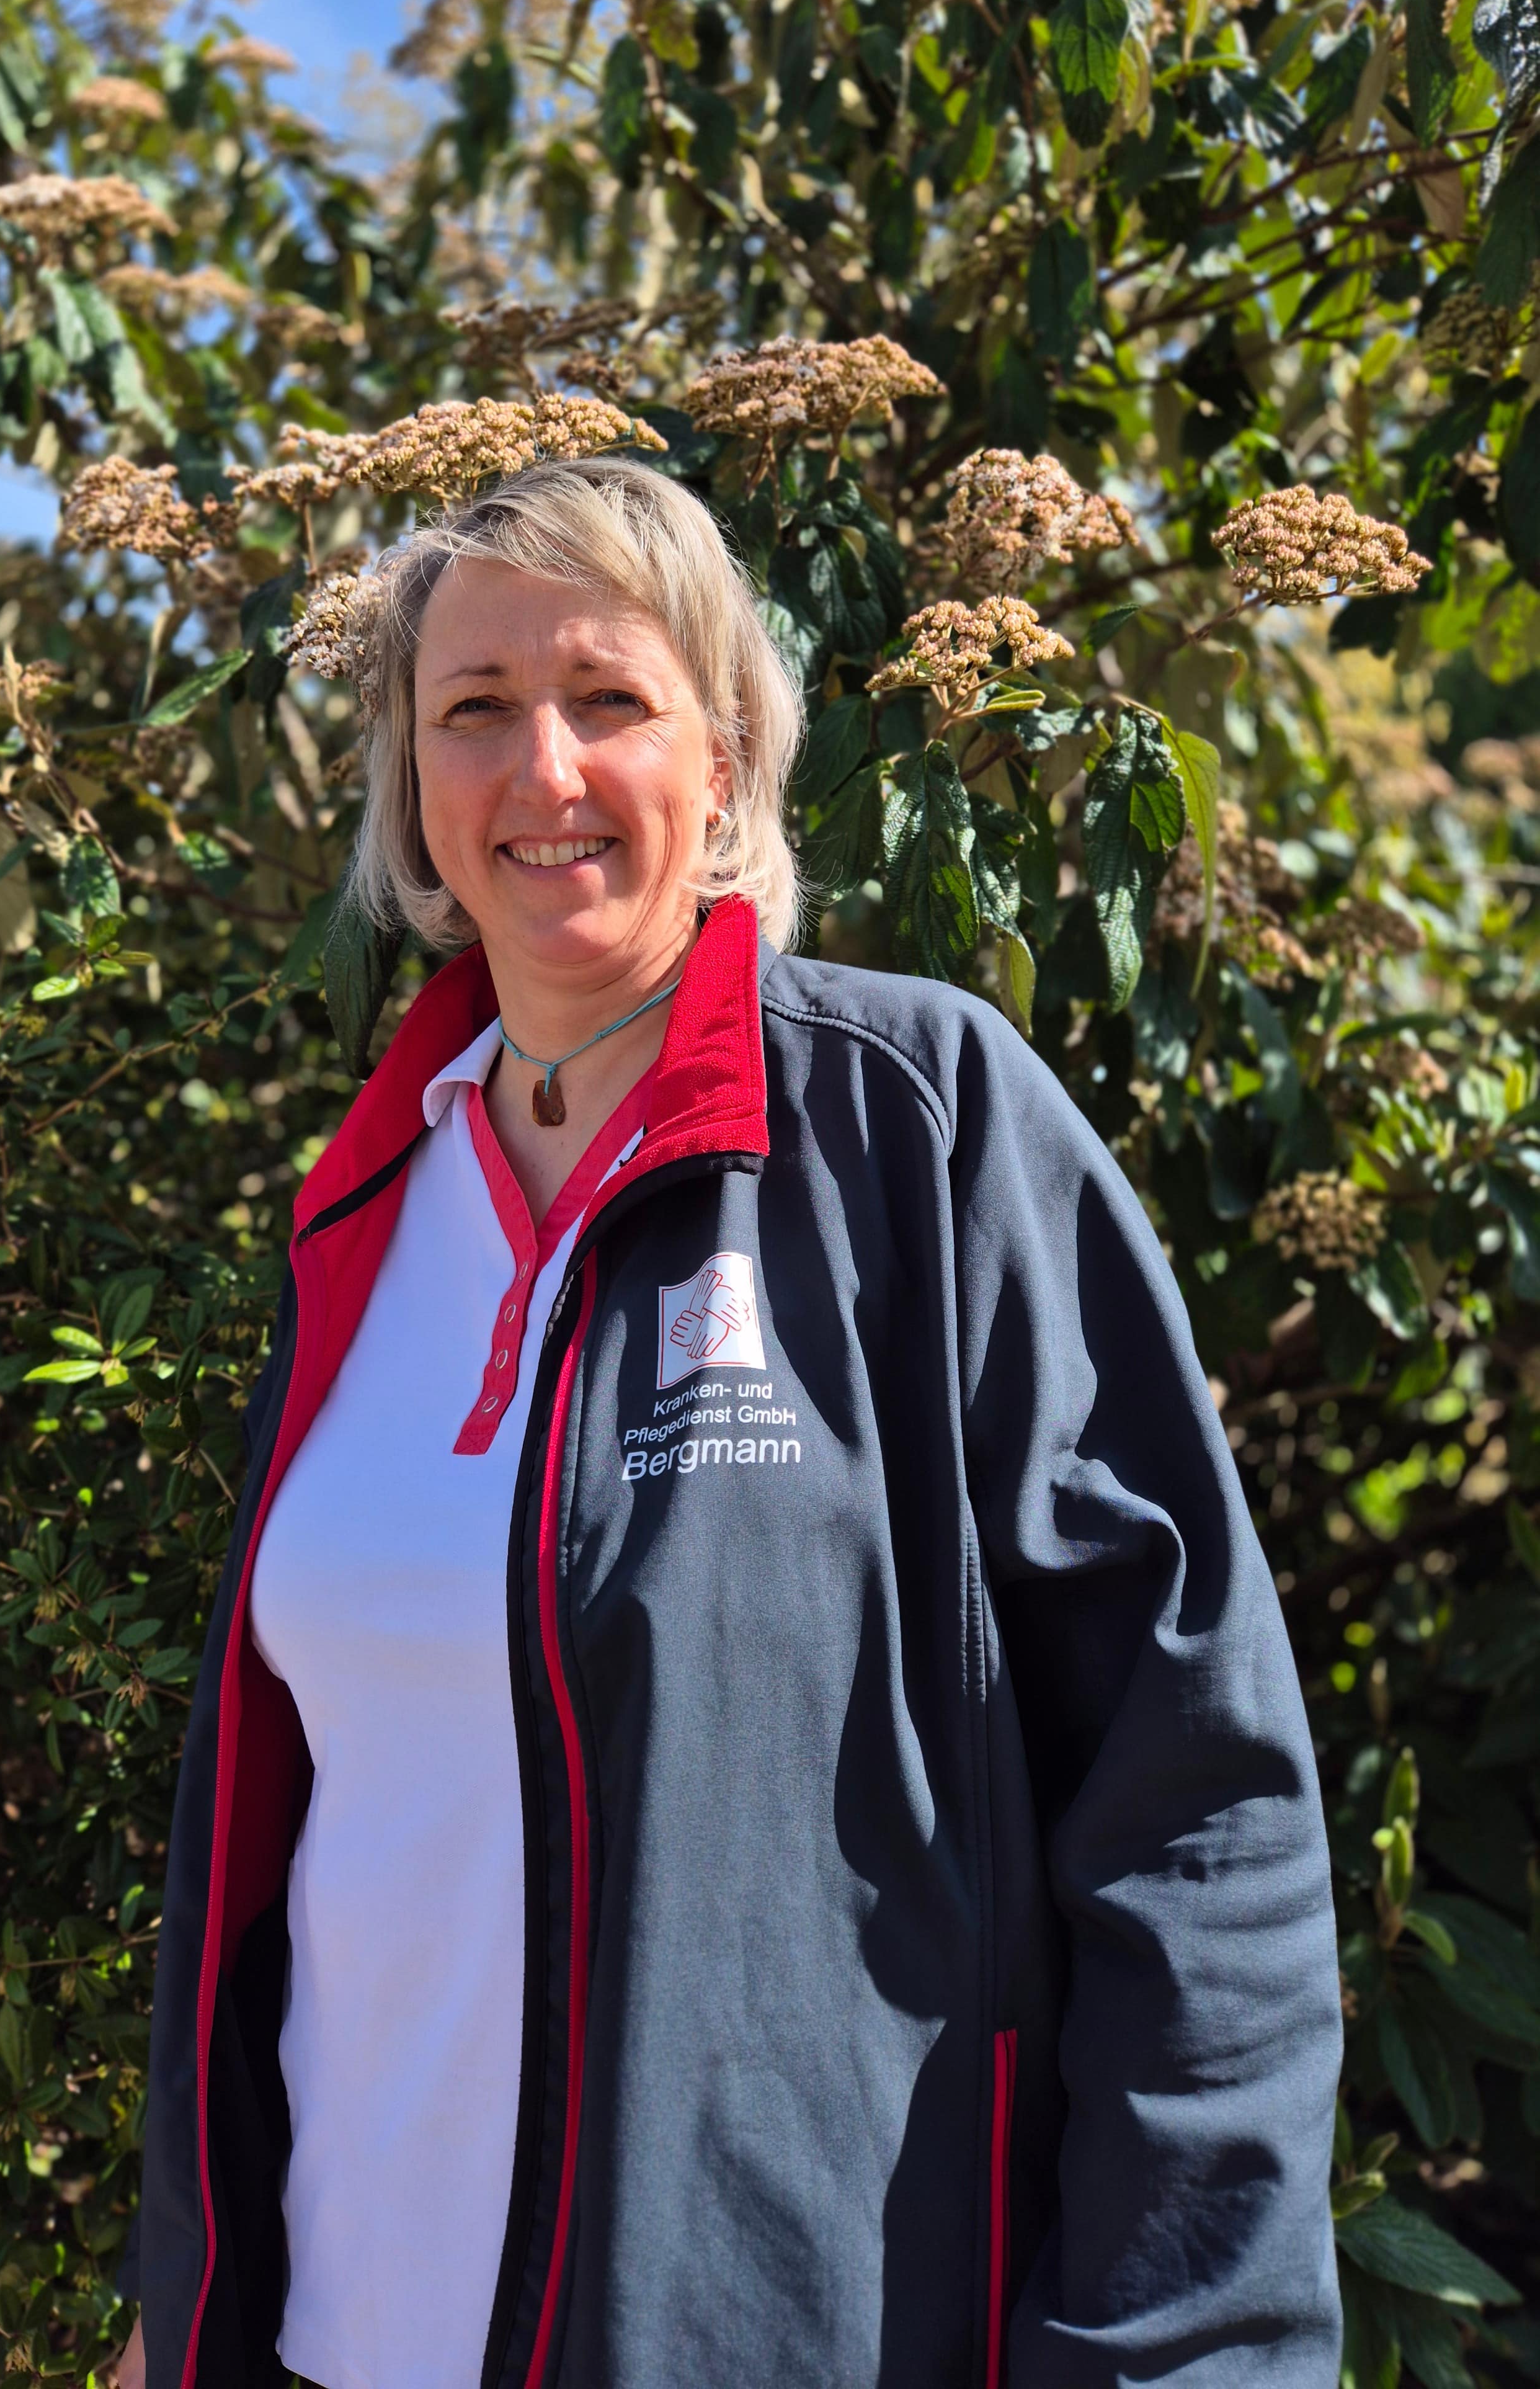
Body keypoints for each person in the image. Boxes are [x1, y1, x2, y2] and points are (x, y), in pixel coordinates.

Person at [115, 455, 1342, 2389]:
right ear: (412, 784)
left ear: (729, 750)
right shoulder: (366, 1207)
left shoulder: (915, 1122)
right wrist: (183, 2312)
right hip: (339, 2344)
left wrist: (1183, 2348)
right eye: (474, 708)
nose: (544, 769)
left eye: (609, 697)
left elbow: (1195, 1798)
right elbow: (298, 1856)